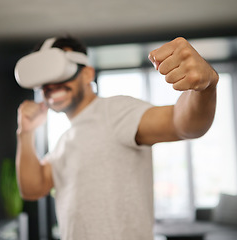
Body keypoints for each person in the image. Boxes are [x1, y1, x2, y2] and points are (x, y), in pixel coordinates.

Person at [15, 36, 218, 240]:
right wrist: (26, 132)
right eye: (45, 81)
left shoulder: (114, 111)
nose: (52, 86)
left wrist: (205, 87)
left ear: (87, 74)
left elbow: (182, 124)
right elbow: (33, 188)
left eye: (61, 73)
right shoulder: (64, 141)